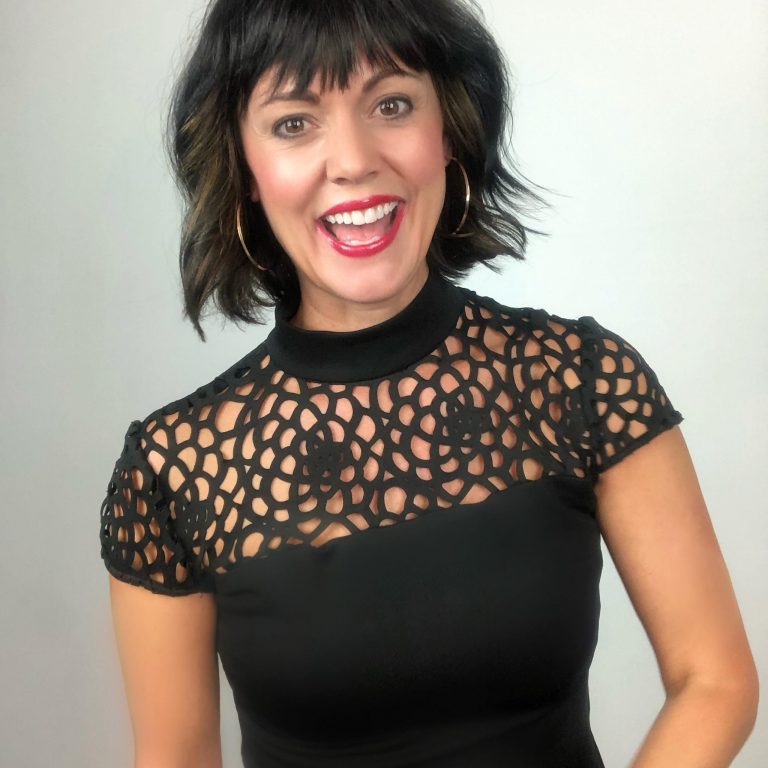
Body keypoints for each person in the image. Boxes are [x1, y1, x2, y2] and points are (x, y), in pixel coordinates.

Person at [98, 0, 758, 766]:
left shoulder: (580, 379)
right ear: (245, 169)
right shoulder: (171, 470)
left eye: (391, 104)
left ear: (448, 130)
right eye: (293, 123)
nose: (352, 160)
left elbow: (715, 681)